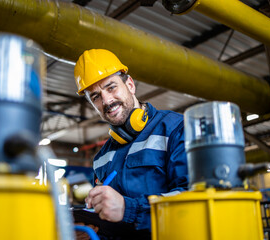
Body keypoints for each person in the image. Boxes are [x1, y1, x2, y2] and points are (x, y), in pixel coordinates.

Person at [73, 49, 188, 239]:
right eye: (96, 97)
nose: (107, 100)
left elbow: (193, 199)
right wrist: (93, 230)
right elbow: (110, 223)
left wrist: (129, 209)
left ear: (130, 85)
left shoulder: (175, 128)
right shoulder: (101, 159)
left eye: (111, 87)